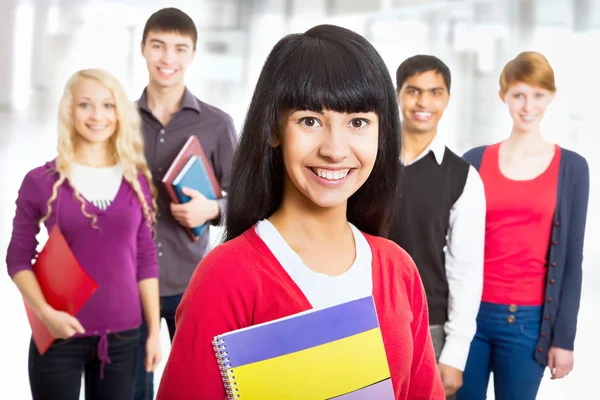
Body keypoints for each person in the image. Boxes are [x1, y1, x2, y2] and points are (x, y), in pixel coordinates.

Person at [156, 24, 445, 400]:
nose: (335, 149)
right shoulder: (226, 277)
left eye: (358, 122)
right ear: (275, 128)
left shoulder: (398, 270)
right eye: (310, 120)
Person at [5, 68, 161, 400]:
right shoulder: (41, 181)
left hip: (123, 337)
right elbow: (17, 259)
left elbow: (146, 260)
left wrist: (153, 333)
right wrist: (47, 316)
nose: (97, 116)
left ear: (120, 113)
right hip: (58, 332)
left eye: (108, 105)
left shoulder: (137, 181)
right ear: (69, 111)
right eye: (85, 105)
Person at [457, 51, 590, 400]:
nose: (528, 105)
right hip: (469, 319)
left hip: (528, 324)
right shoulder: (474, 161)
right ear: (504, 96)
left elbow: (572, 260)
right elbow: (452, 245)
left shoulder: (572, 169)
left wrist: (564, 340)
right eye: (518, 94)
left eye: (538, 95)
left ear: (551, 97)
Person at [134, 7, 237, 399]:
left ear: (193, 55)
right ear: (143, 48)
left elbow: (245, 198)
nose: (167, 58)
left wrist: (212, 209)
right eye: (158, 46)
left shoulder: (217, 124)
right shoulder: (119, 122)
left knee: (195, 387)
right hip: (129, 281)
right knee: (131, 388)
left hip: (191, 282)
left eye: (180, 48)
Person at [388, 55, 486, 399]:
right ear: (397, 94)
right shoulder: (366, 161)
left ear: (447, 98)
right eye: (414, 91)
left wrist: (455, 354)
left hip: (430, 326)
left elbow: (466, 269)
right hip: (363, 318)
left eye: (435, 92)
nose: (424, 102)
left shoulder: (462, 177)